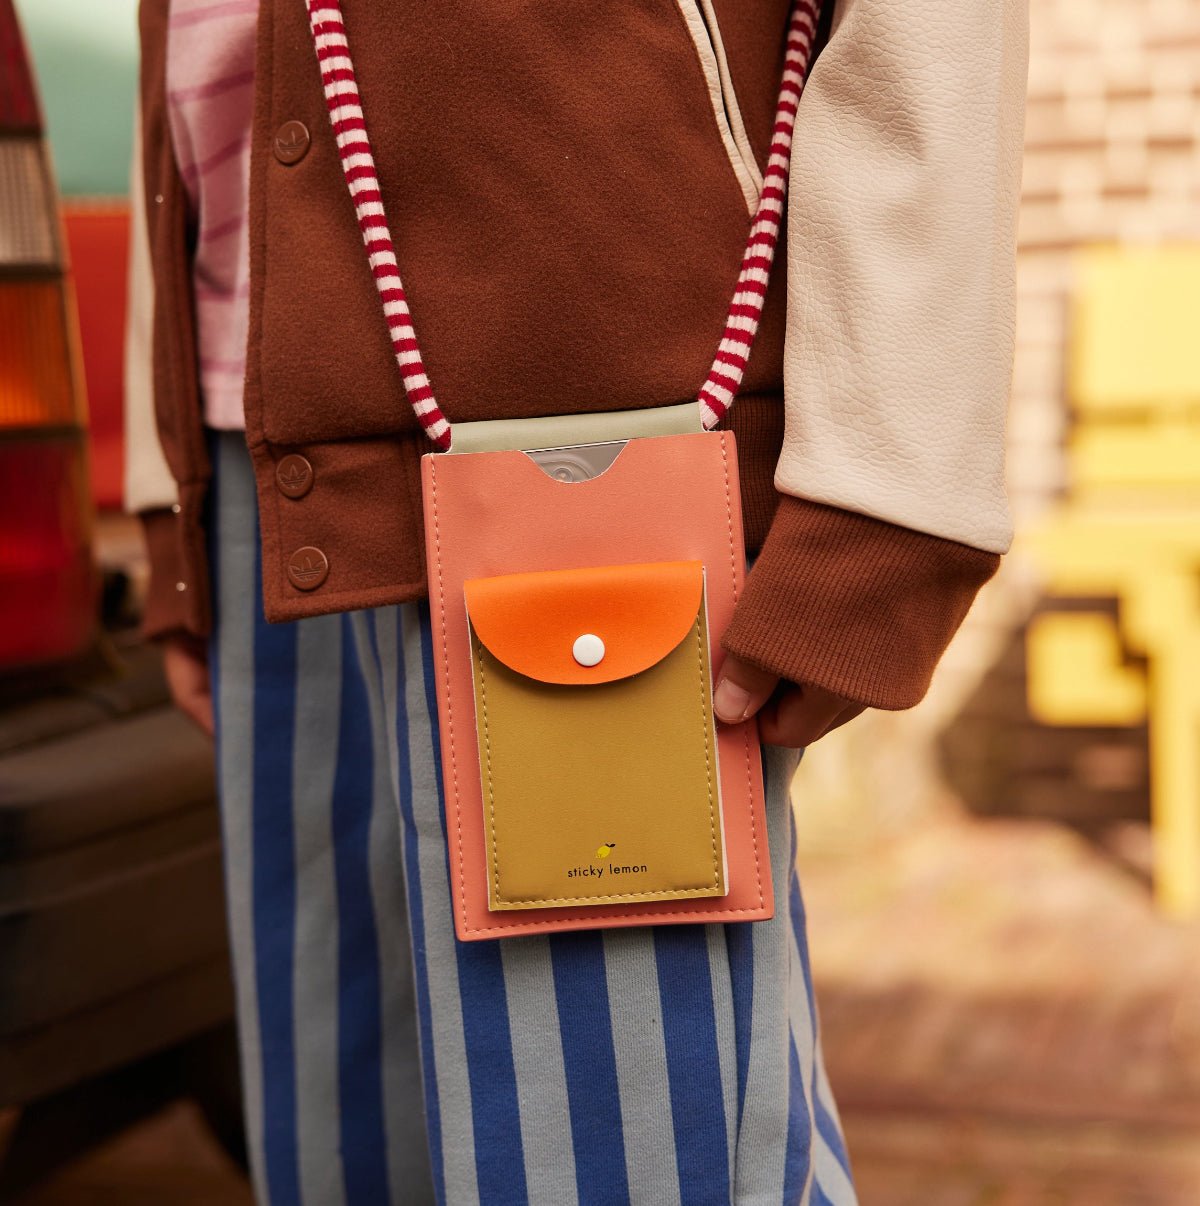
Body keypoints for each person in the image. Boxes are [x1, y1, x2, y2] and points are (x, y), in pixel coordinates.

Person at [125, 1, 1028, 1202]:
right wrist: (170, 484)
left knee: (634, 1157)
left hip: (593, 415)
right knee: (345, 1146)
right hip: (258, 441)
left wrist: (895, 478)